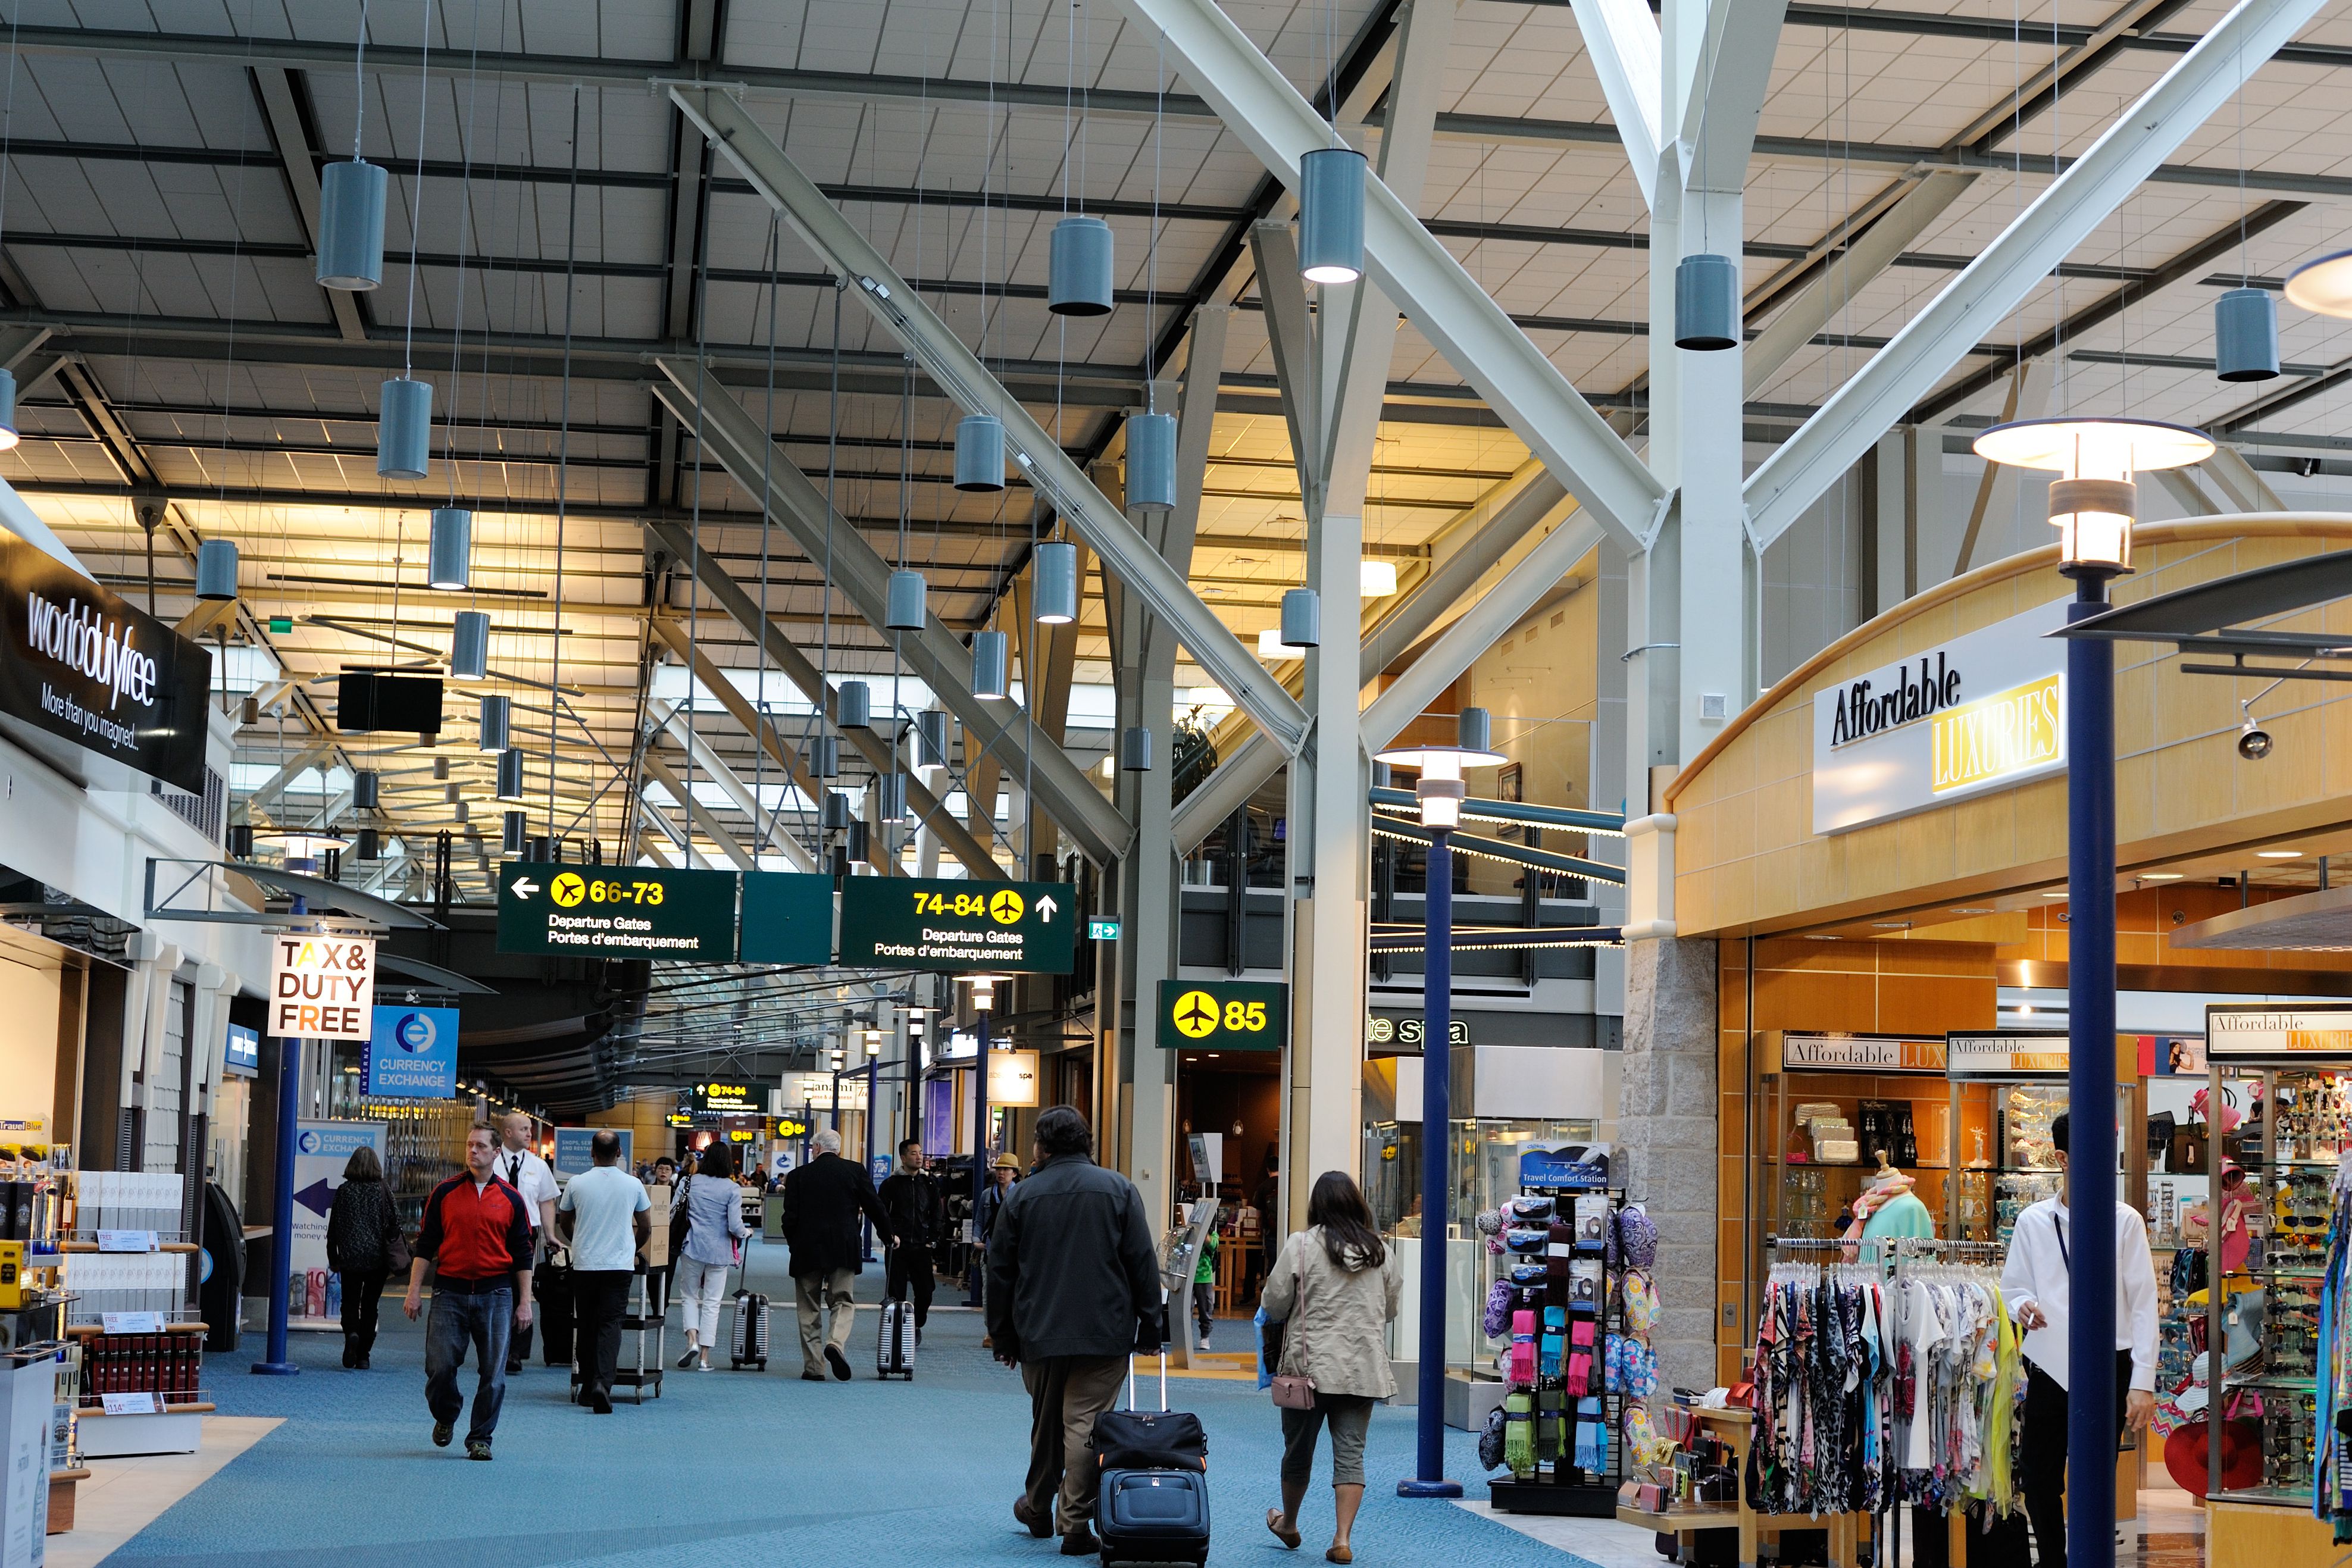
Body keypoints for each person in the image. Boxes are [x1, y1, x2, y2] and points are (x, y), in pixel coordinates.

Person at [986, 1106, 1159, 1558]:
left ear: (1042, 1146)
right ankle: (1076, 1523)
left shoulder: (1021, 1196)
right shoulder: (1119, 1189)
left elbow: (999, 1270)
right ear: (1087, 1143)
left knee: (1046, 1423)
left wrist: (1002, 1334)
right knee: (1085, 1425)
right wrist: (1151, 1325)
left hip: (1038, 1331)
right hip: (1106, 1330)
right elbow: (1142, 1261)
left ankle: (1039, 1507)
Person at [1998, 1110, 2160, 1568]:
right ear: (2062, 1158)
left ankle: (2091, 1559)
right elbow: (2014, 1286)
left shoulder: (2125, 1222)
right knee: (2037, 1477)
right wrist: (2022, 1305)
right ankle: (2054, 1561)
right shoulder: (2032, 1221)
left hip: (2108, 1366)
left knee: (2094, 1479)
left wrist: (2143, 1381)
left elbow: (2146, 1302)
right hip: (2048, 1364)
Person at [1261, 1170, 1401, 1566]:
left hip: (1309, 1369)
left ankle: (1288, 1523)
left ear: (1317, 1206)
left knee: (1298, 1452)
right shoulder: (1380, 1251)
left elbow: (1274, 1302)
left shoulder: (1301, 1246)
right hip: (1362, 1369)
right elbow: (1389, 1309)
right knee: (1351, 1455)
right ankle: (1342, 1538)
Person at [403, 1125, 534, 1460]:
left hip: (496, 1295)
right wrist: (413, 1292)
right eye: (469, 1145)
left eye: (480, 1146)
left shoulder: (511, 1199)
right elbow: (426, 1247)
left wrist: (525, 1302)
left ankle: (481, 1438)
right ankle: (446, 1415)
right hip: (450, 1292)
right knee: (440, 1367)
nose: (473, 1151)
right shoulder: (445, 1193)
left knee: (493, 1373)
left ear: (495, 1153)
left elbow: (522, 1255)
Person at [779, 1127, 896, 1381]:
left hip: (807, 1249)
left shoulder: (798, 1176)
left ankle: (814, 1367)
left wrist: (794, 1244)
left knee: (808, 1306)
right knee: (843, 1300)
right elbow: (874, 1206)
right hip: (844, 1247)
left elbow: (789, 1219)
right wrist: (889, 1236)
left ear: (817, 1149)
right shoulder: (854, 1171)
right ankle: (836, 1343)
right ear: (838, 1149)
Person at [554, 1129, 650, 1414]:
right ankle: (602, 1384)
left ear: (591, 1153)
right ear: (620, 1153)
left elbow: (565, 1221)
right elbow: (645, 1226)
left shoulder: (576, 1183)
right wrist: (631, 1248)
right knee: (611, 1324)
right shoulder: (633, 1184)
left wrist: (580, 1240)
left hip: (585, 1264)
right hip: (619, 1265)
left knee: (586, 1324)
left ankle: (586, 1386)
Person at [323, 1144, 401, 1369]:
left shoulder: (344, 1191)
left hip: (350, 1258)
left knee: (349, 1302)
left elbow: (334, 1228)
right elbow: (395, 1223)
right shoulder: (383, 1190)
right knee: (370, 1305)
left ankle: (352, 1334)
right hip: (378, 1259)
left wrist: (333, 1257)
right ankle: (364, 1355)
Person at [673, 1141, 749, 1371]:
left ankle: (692, 1340)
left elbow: (673, 1210)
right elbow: (736, 1226)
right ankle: (704, 1358)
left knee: (689, 1295)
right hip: (719, 1251)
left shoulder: (689, 1182)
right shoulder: (732, 1189)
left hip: (693, 1246)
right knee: (713, 1302)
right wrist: (747, 1232)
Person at [492, 1112, 558, 1373]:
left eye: (530, 1129)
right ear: (508, 1133)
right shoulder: (492, 1162)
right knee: (496, 1288)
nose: (530, 1134)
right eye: (524, 1129)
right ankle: (496, 1347)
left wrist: (551, 1235)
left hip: (526, 1234)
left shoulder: (538, 1165)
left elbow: (547, 1202)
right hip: (494, 1231)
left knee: (523, 1291)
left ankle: (516, 1352)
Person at [878, 1138, 943, 1342]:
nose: (919, 1157)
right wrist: (889, 1237)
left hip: (921, 1245)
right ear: (903, 1157)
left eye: (921, 1153)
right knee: (897, 1292)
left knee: (926, 1291)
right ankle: (900, 1330)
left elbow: (937, 1213)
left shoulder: (929, 1183)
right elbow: (881, 1214)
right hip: (898, 1245)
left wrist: (932, 1238)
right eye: (914, 1153)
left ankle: (916, 1323)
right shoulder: (890, 1184)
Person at [646, 1155, 680, 1312]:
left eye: (667, 1169)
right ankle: (656, 1305)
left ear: (672, 1172)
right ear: (655, 1170)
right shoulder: (648, 1191)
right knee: (650, 1277)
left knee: (667, 1277)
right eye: (660, 1168)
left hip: (670, 1241)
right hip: (650, 1239)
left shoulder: (677, 1195)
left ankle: (662, 1307)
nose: (663, 1172)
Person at [1192, 1210, 1222, 1347]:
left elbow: (1213, 1244)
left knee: (1206, 1309)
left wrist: (1204, 1233)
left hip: (1203, 1277)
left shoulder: (1214, 1235)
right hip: (1188, 1276)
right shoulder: (1190, 1233)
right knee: (1186, 1309)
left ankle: (1205, 1337)